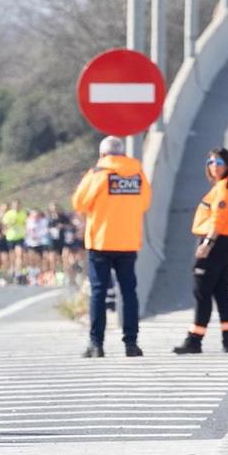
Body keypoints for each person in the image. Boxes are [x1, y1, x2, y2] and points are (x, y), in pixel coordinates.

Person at [72, 135, 153, 360]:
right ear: (123, 153)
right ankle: (131, 344)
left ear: (102, 154)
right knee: (129, 293)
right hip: (127, 242)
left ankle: (96, 345)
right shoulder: (138, 174)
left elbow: (79, 203)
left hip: (100, 242)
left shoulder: (97, 174)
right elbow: (146, 202)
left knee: (98, 293)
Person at [178, 147, 228, 354]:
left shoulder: (225, 188)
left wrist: (207, 244)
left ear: (227, 165)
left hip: (215, 243)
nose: (214, 166)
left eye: (218, 163)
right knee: (222, 292)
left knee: (202, 291)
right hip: (226, 243)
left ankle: (195, 340)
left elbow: (218, 218)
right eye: (211, 162)